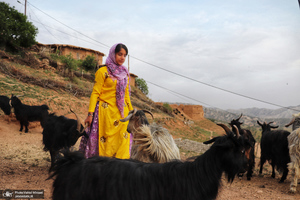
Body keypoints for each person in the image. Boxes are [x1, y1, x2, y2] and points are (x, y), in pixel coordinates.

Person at [79, 43, 133, 159]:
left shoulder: (125, 74)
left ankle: (119, 169)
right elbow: (95, 93)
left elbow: (126, 96)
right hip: (105, 115)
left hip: (122, 116)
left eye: (124, 55)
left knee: (122, 143)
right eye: (120, 54)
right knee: (105, 143)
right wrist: (90, 114)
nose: (122, 58)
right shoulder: (103, 71)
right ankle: (103, 168)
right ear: (113, 54)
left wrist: (132, 113)